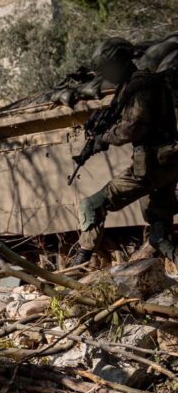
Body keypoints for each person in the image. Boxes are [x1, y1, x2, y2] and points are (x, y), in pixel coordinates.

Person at [72, 38, 178, 266]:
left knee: (92, 205)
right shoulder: (135, 86)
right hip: (163, 164)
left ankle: (79, 264)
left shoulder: (140, 86)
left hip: (151, 166)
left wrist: (104, 138)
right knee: (159, 234)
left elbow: (133, 127)